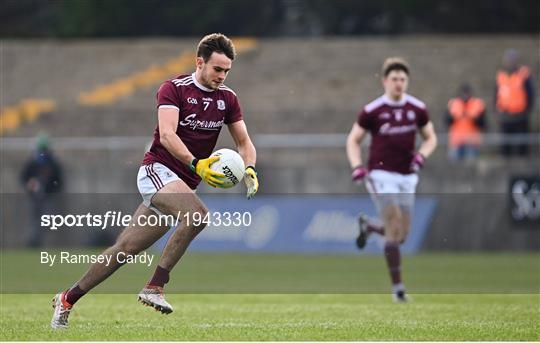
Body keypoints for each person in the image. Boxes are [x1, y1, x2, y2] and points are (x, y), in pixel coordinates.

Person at [51, 33, 259, 329]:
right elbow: (167, 134)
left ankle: (67, 298)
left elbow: (244, 142)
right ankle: (155, 286)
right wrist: (197, 164)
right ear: (199, 63)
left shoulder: (228, 99)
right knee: (197, 216)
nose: (222, 76)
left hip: (182, 183)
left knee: (123, 250)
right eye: (217, 69)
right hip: (157, 171)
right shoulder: (173, 89)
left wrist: (249, 168)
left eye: (227, 71)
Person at [346, 57, 437, 302]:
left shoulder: (417, 108)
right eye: (394, 79)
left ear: (407, 82)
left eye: (403, 79)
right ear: (385, 81)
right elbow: (353, 140)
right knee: (395, 228)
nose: (399, 83)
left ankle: (369, 227)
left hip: (407, 176)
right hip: (380, 174)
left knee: (401, 235)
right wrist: (357, 166)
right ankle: (398, 290)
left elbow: (431, 138)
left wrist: (421, 156)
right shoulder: (372, 111)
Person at [20, 133, 63, 247]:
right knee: (34, 221)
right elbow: (24, 177)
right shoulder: (32, 162)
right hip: (34, 197)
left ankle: (44, 242)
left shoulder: (53, 163)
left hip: (48, 197)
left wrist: (50, 189)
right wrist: (29, 184)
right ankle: (34, 243)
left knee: (47, 221)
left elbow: (59, 181)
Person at [495, 49, 534, 156]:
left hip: (521, 115)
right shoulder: (501, 76)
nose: (510, 63)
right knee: (506, 143)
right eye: (508, 60)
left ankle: (522, 164)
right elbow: (496, 94)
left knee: (522, 143)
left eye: (512, 60)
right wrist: (498, 110)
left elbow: (530, 94)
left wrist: (527, 111)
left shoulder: (523, 75)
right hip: (506, 115)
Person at [446, 83, 486, 161]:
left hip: (472, 141)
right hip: (456, 141)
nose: (465, 95)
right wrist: (455, 117)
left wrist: (473, 118)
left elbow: (483, 123)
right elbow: (447, 121)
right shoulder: (453, 104)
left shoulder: (478, 104)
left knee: (470, 166)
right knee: (454, 167)